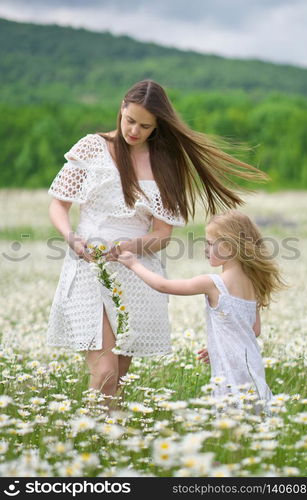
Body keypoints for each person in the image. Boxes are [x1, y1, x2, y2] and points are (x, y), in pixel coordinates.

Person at [47, 79, 267, 403]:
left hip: (136, 272)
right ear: (121, 109)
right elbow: (58, 204)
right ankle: (86, 441)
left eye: (145, 126)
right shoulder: (91, 148)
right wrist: (71, 238)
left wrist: (129, 248)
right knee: (105, 371)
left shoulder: (164, 162)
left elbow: (163, 235)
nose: (134, 130)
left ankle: (107, 444)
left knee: (119, 376)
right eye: (130, 120)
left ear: (156, 127)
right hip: (88, 268)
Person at [117, 210, 287, 412]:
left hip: (229, 368)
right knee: (253, 412)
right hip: (251, 363)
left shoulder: (214, 284)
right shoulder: (253, 282)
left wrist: (134, 264)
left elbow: (163, 286)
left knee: (230, 419)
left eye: (210, 243)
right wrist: (219, 344)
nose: (206, 249)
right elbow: (254, 329)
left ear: (229, 245)